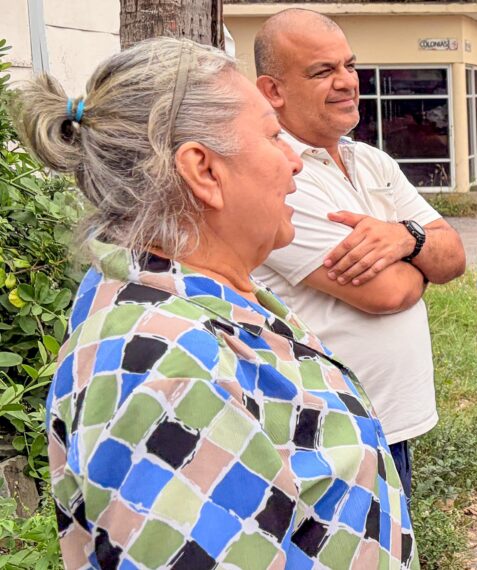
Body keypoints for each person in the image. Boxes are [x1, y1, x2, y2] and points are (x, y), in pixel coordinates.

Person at [20, 38, 416, 568]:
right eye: (274, 135)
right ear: (203, 170)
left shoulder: (201, 304)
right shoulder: (168, 367)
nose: (294, 162)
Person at [251, 8, 466, 497]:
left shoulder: (370, 160)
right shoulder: (282, 174)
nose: (348, 81)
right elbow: (385, 294)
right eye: (323, 71)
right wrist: (420, 253)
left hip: (387, 427)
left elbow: (454, 255)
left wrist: (405, 238)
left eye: (349, 65)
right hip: (326, 439)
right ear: (273, 91)